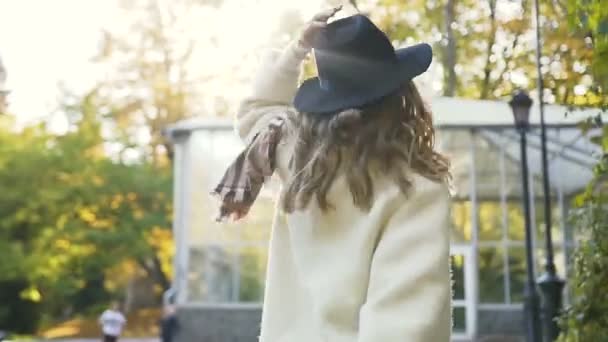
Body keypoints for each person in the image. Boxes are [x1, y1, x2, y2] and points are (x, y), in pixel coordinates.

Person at [213, 7, 452, 342]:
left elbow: (257, 108)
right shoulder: (415, 188)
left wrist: (296, 49)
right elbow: (402, 323)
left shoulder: (294, 158)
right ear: (402, 97)